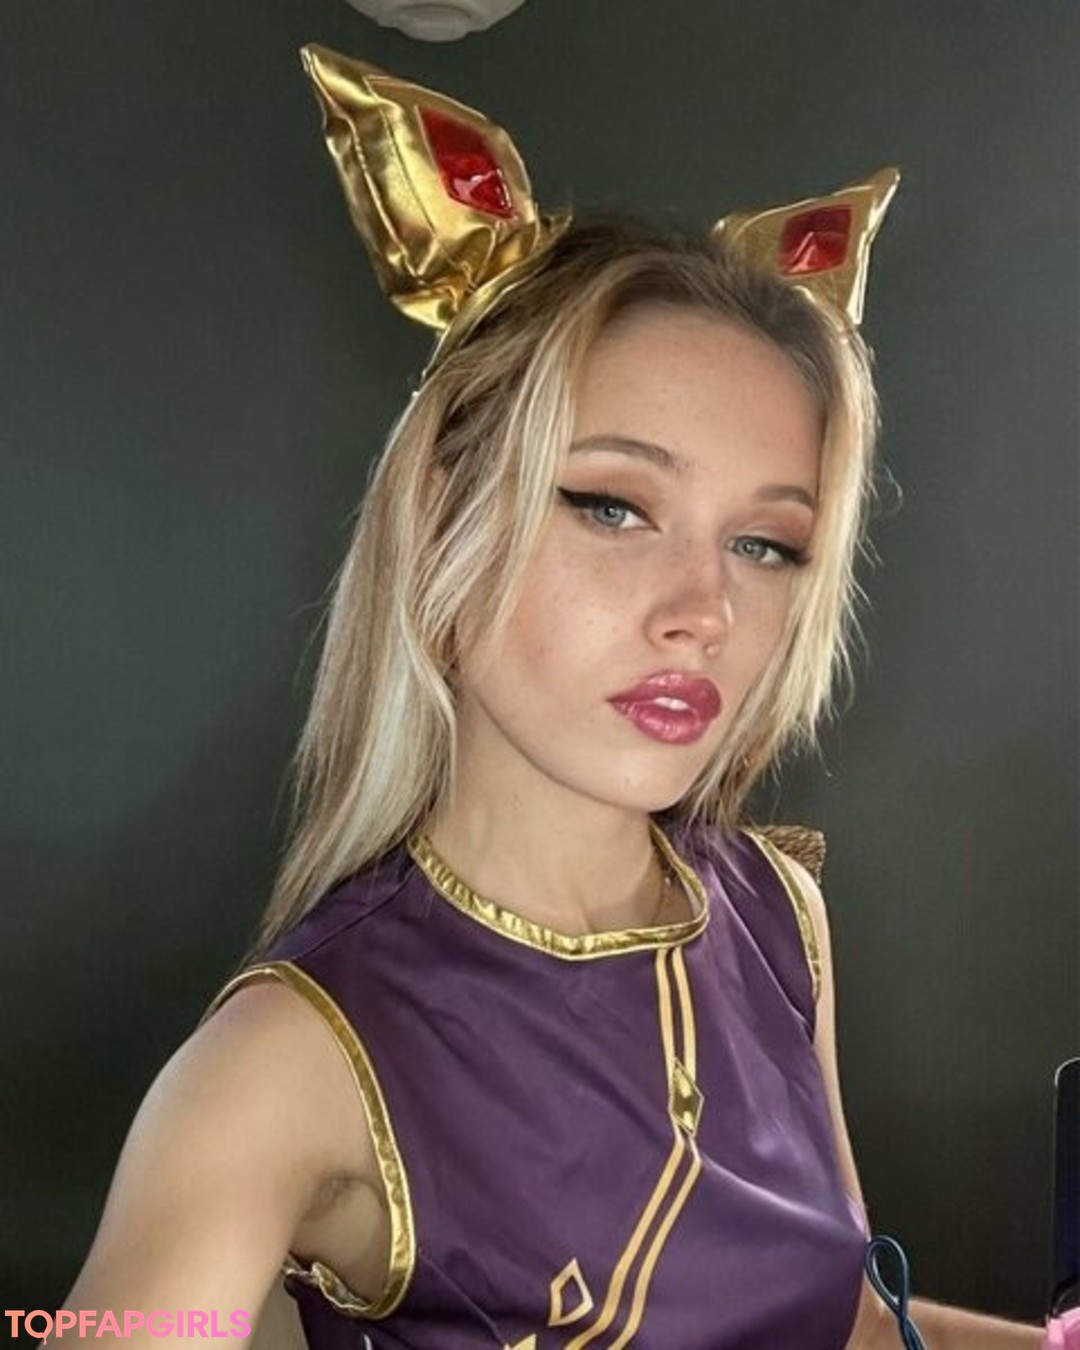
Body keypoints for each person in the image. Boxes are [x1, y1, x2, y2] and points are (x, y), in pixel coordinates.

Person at [59, 48, 1061, 1350]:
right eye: (613, 506)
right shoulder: (282, 1068)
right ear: (442, 518)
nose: (705, 609)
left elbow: (850, 1325)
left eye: (766, 543)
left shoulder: (776, 914)